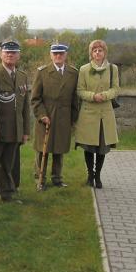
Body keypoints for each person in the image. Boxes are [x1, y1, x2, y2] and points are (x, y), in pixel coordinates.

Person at [0, 39, 31, 207]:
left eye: (13, 52)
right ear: (0, 54)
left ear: (19, 55)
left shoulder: (23, 76)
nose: (10, 55)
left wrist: (25, 131)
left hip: (15, 128)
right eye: (7, 52)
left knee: (8, 164)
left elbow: (25, 107)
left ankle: (7, 193)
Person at [31, 42, 79, 188]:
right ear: (51, 55)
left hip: (64, 116)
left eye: (61, 54)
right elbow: (35, 98)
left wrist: (73, 118)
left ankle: (57, 178)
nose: (58, 56)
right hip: (46, 115)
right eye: (55, 54)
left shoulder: (73, 73)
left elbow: (75, 98)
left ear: (66, 55)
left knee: (59, 149)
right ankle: (40, 179)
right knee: (42, 149)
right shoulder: (42, 72)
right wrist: (41, 115)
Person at [74, 39, 120, 189]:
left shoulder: (113, 69)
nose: (97, 53)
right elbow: (80, 91)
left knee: (101, 148)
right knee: (89, 147)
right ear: (91, 53)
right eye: (95, 50)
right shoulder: (84, 69)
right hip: (88, 114)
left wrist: (105, 96)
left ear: (105, 52)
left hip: (105, 114)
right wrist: (93, 96)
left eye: (100, 50)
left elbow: (116, 89)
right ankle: (90, 175)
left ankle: (98, 176)